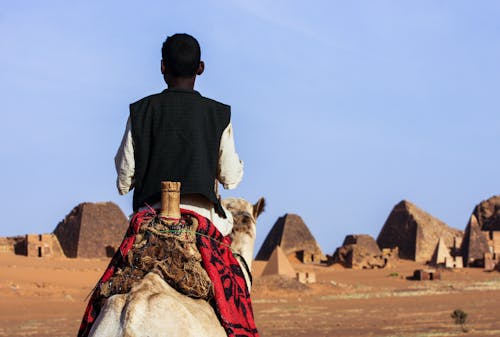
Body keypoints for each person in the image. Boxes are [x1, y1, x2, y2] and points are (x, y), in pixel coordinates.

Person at [114, 33, 243, 236]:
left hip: (150, 216)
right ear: (200, 68)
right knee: (232, 258)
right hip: (202, 219)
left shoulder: (140, 112)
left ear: (162, 66)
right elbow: (230, 178)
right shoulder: (218, 114)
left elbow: (124, 180)